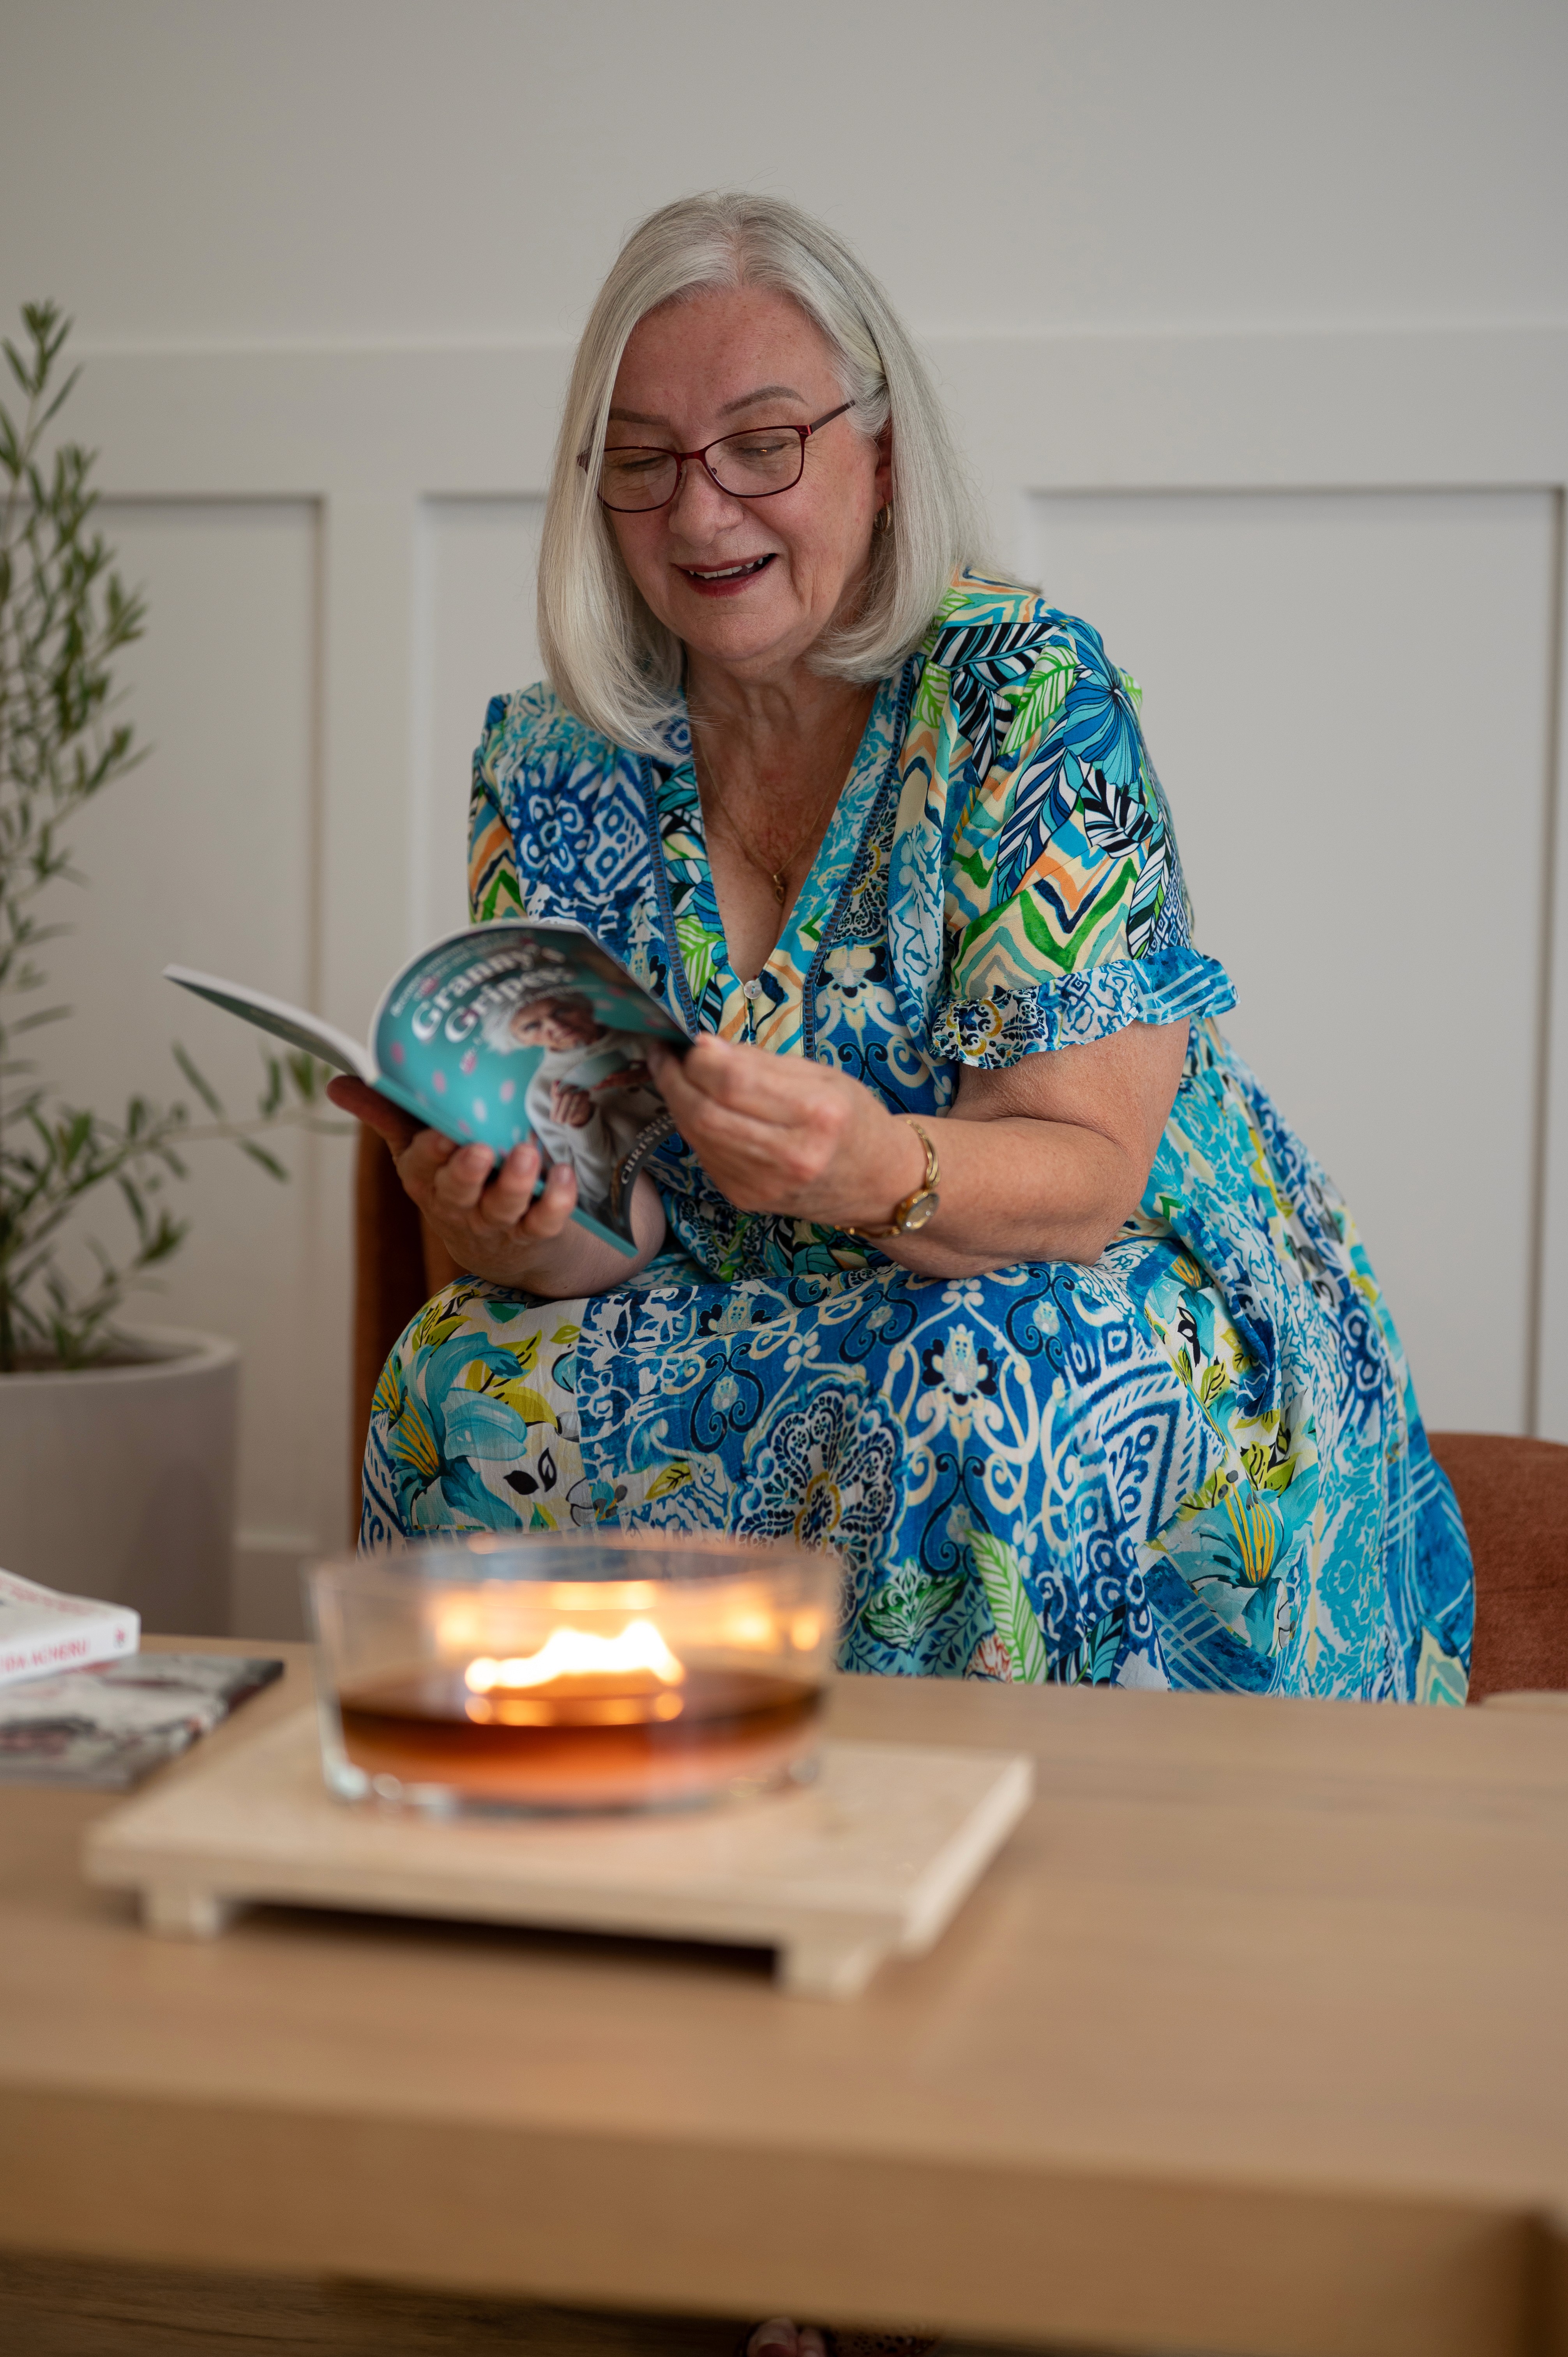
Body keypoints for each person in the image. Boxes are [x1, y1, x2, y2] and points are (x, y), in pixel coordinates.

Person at [333, 189, 1473, 1708]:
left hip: (1066, 1268)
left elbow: (1085, 1176)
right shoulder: (555, 759)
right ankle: (545, 1883)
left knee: (978, 1379)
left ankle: (937, 1887)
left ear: (877, 450)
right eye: (645, 460)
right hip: (723, 1297)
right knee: (455, 1380)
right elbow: (606, 1241)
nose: (699, 511)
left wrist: (872, 1171)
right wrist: (507, 1215)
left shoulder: (1018, 696)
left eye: (761, 443)